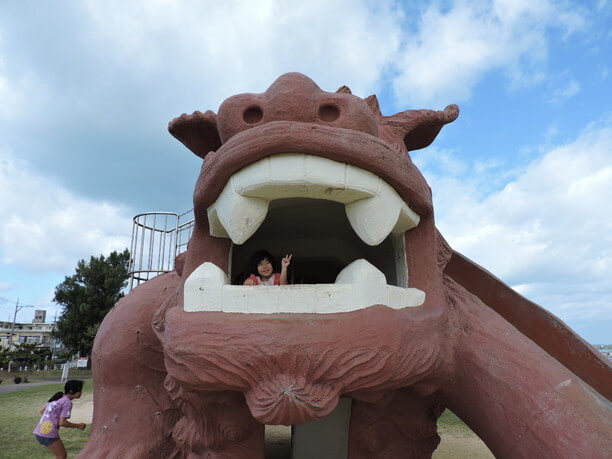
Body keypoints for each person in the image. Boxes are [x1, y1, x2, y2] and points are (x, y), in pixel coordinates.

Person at [33, 380, 86, 458]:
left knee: (60, 455)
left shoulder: (58, 397)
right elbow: (62, 423)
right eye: (80, 391)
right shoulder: (67, 402)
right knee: (61, 455)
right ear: (71, 391)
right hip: (48, 434)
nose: (81, 393)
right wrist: (78, 426)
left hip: (39, 432)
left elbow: (42, 411)